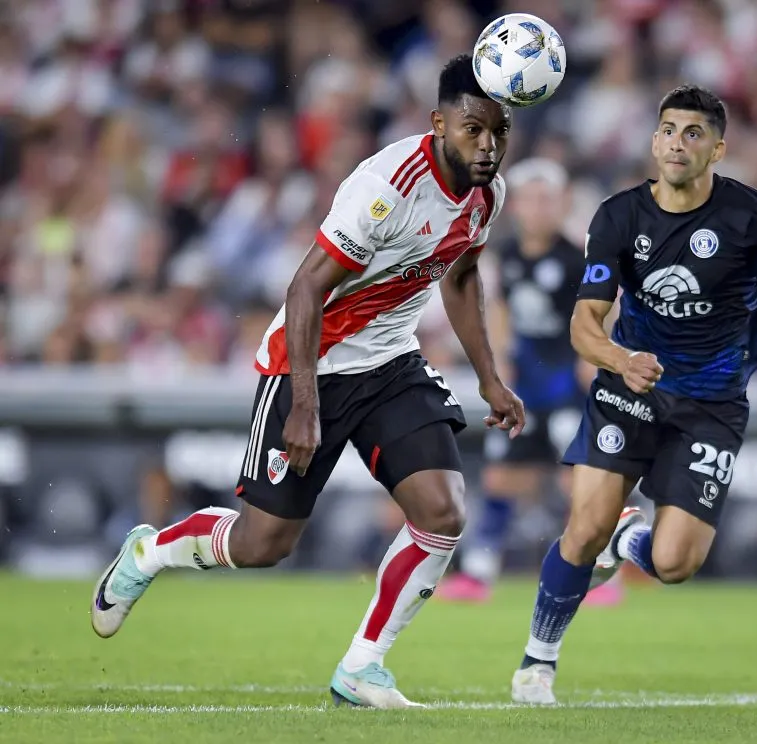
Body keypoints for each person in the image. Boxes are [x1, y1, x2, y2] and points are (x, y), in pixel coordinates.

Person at [90, 54, 526, 710]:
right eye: (473, 130)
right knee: (264, 543)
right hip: (311, 364)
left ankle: (362, 667)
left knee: (443, 512)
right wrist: (303, 403)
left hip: (389, 363)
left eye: (499, 132)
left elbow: (461, 277)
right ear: (439, 123)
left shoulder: (488, 195)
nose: (488, 147)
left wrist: (491, 379)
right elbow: (306, 286)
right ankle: (151, 552)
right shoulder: (387, 186)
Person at [509, 84, 757, 705]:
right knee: (582, 527)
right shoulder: (618, 217)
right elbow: (584, 324)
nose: (676, 143)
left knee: (676, 563)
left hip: (711, 404)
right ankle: (536, 665)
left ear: (718, 148)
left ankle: (630, 540)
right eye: (667, 130)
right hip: (631, 389)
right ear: (653, 140)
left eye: (693, 133)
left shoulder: (749, 216)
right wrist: (620, 360)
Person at [438, 157, 622, 604]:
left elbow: (610, 302)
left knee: (575, 480)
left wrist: (595, 353)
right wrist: (499, 361)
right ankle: (478, 576)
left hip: (568, 385)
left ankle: (596, 575)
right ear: (515, 206)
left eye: (547, 199)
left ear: (561, 204)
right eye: (530, 199)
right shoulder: (507, 255)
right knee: (502, 479)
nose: (538, 208)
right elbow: (499, 310)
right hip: (525, 387)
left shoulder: (576, 255)